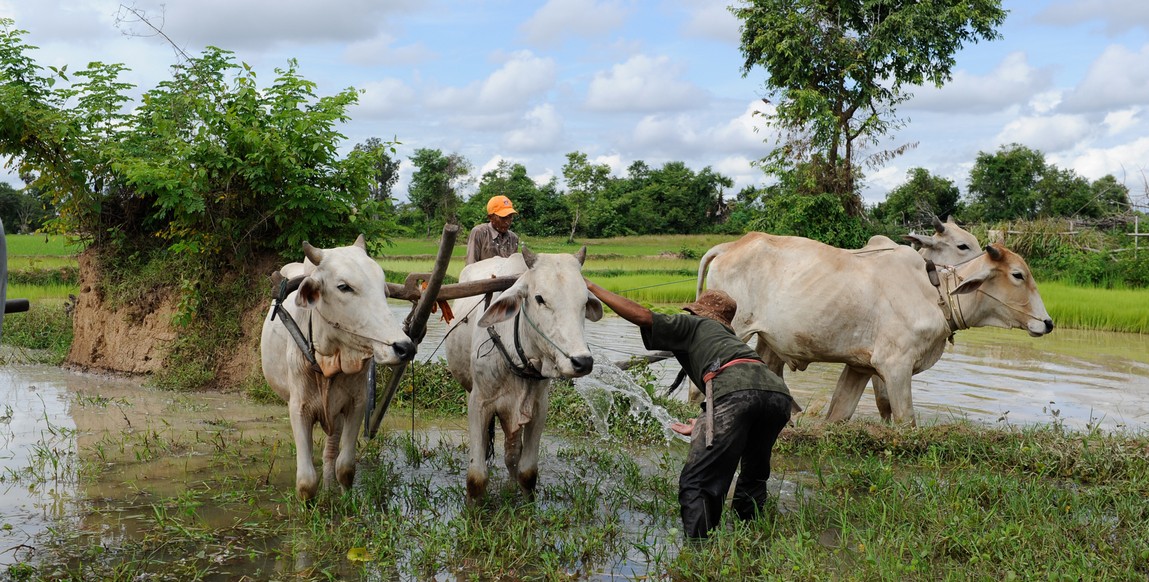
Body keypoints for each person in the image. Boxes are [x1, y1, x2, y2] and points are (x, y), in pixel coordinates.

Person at [584, 281, 796, 541]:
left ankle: (698, 552)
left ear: (697, 313)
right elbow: (746, 390)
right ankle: (752, 540)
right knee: (753, 476)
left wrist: (593, 287)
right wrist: (706, 421)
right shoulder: (729, 340)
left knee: (698, 481)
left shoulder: (697, 324)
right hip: (778, 395)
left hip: (735, 395)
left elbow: (643, 316)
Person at [465, 195, 520, 264]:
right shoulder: (480, 233)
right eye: (503, 217)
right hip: (483, 274)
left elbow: (514, 266)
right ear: (490, 217)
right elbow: (471, 264)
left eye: (510, 217)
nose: (507, 222)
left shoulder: (513, 238)